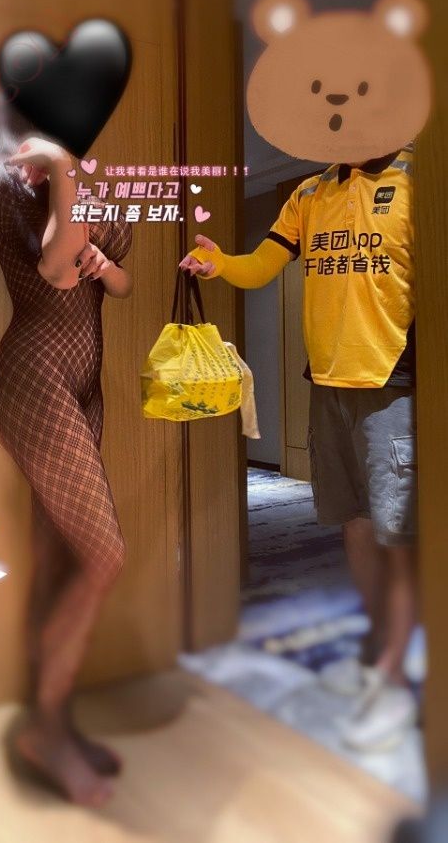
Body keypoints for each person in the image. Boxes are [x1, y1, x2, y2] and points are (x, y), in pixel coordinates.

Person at [180, 143, 419, 752]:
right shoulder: (311, 192)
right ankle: (376, 657)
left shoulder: (417, 178)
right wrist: (220, 264)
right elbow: (264, 263)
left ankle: (393, 679)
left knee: (398, 536)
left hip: (394, 384)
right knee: (354, 523)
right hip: (328, 381)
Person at [0, 96, 132, 806]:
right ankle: (44, 729)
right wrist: (64, 171)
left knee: (61, 560)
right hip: (34, 377)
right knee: (104, 556)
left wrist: (74, 177)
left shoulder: (90, 178)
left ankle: (58, 722)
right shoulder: (2, 186)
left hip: (86, 385)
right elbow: (57, 267)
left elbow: (117, 280)